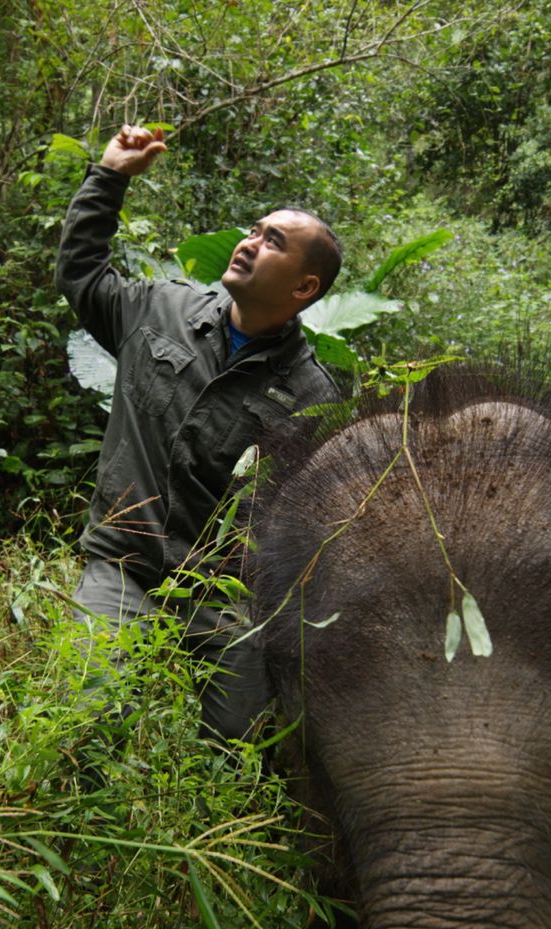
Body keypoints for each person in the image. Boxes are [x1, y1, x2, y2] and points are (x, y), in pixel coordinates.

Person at [56, 124, 343, 740]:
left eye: (274, 241)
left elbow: (307, 525)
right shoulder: (161, 309)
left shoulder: (313, 396)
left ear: (304, 287)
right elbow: (82, 274)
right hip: (124, 561)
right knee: (87, 718)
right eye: (254, 229)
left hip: (221, 593)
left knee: (242, 748)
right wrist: (108, 178)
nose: (249, 242)